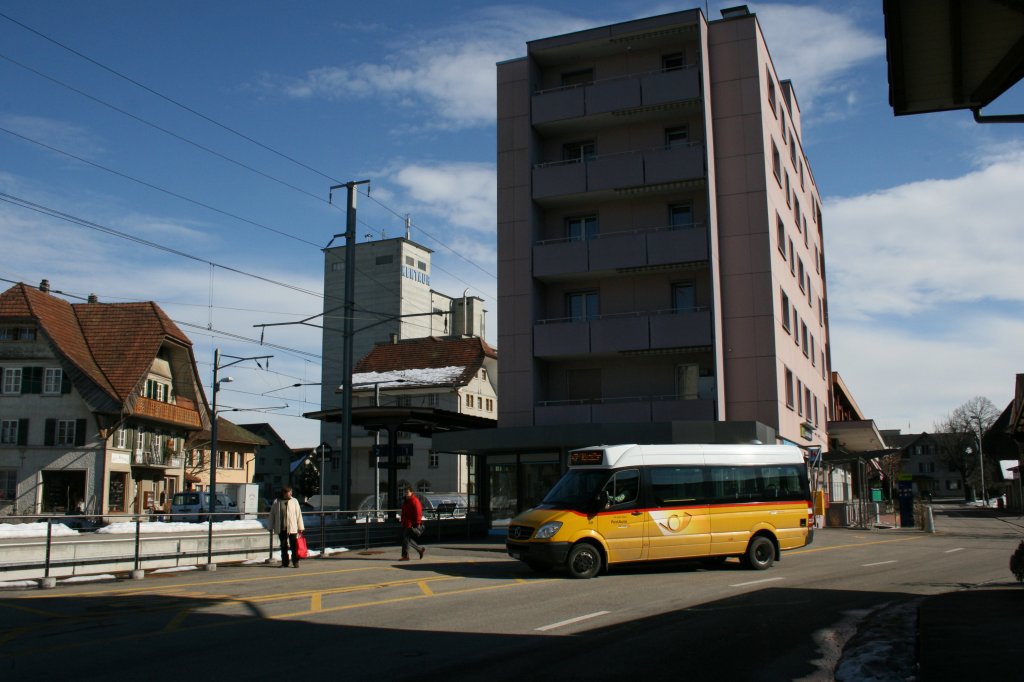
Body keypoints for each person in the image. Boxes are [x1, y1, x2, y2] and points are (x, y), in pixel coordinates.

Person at [270, 486, 305, 568]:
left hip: (292, 527)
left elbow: (298, 514)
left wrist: (300, 527)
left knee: (294, 546)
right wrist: (270, 526)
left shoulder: (294, 501)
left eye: (291, 492)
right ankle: (285, 562)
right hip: (281, 527)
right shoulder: (277, 501)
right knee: (283, 546)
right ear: (284, 493)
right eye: (289, 492)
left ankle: (295, 562)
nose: (291, 494)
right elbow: (272, 514)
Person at [400, 486, 425, 561]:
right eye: (405, 492)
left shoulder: (414, 501)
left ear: (411, 492)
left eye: (407, 492)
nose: (406, 494)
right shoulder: (406, 501)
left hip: (411, 523)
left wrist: (417, 523)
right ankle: (419, 550)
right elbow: (403, 512)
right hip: (406, 522)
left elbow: (418, 512)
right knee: (407, 539)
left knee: (406, 539)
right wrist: (402, 521)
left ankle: (405, 556)